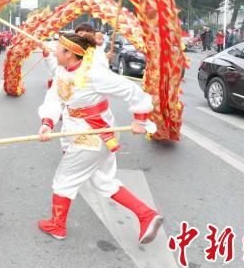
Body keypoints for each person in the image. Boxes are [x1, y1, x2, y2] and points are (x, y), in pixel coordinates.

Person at [37, 32, 163, 244]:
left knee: (64, 180)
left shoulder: (94, 74)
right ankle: (146, 215)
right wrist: (47, 123)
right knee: (104, 181)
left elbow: (131, 89)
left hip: (90, 136)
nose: (54, 51)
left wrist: (140, 121)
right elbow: (54, 98)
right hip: (84, 132)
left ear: (69, 53)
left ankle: (57, 225)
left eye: (58, 48)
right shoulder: (63, 71)